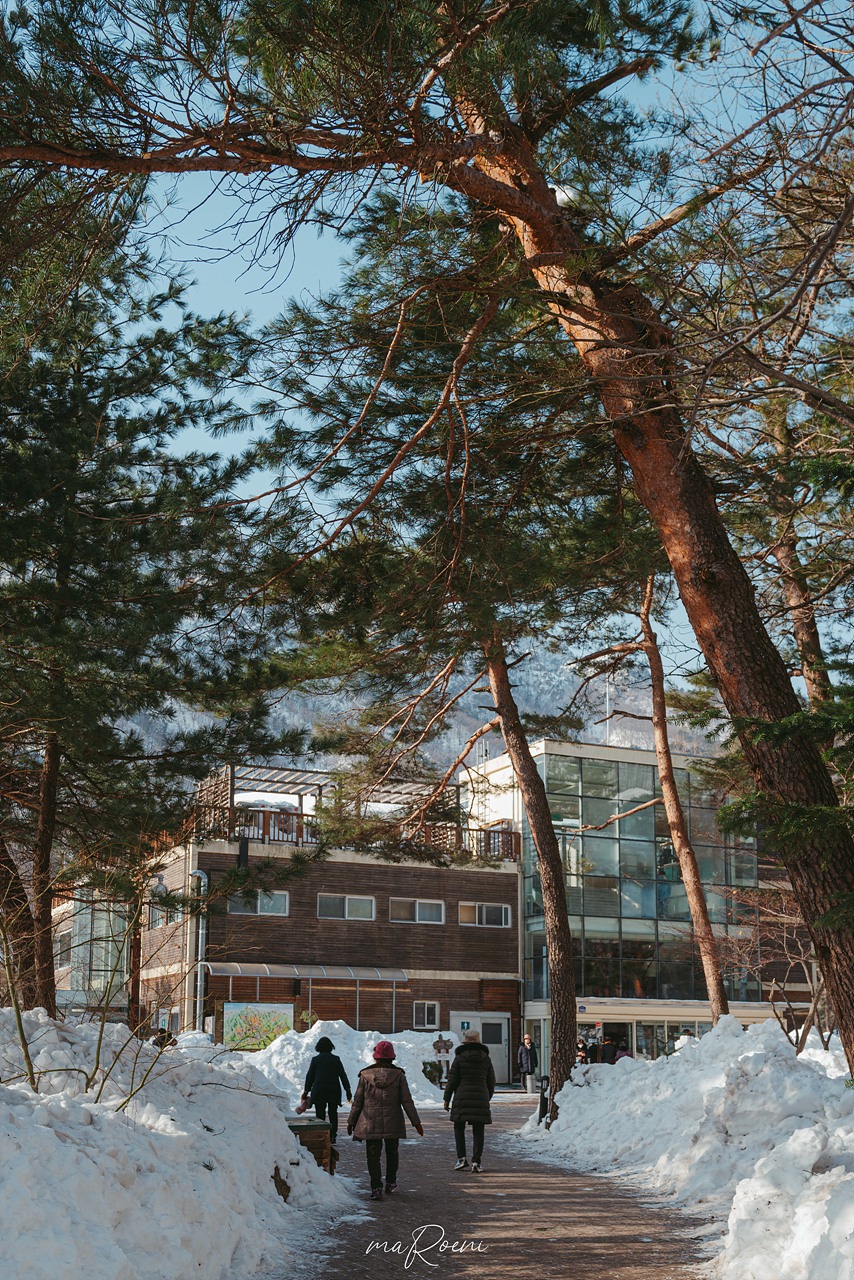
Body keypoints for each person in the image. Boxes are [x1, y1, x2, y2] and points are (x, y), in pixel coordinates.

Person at [347, 1040, 423, 1200]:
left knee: (373, 1155)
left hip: (370, 1122)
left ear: (375, 1058)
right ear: (392, 1058)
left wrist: (351, 1121)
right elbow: (407, 1101)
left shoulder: (365, 1076)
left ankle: (376, 1187)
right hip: (392, 1121)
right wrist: (416, 1122)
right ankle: (390, 1182)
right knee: (392, 1153)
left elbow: (358, 1101)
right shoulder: (399, 1076)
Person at [443, 1029, 495, 1174]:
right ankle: (476, 1161)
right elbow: (491, 1082)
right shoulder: (486, 1059)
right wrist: (487, 1097)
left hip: (461, 1098)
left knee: (459, 1127)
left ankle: (461, 1159)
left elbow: (452, 1081)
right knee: (478, 1130)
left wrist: (447, 1099)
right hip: (481, 1098)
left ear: (465, 1042)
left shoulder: (459, 1058)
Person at [301, 1035, 352, 1157]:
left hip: (319, 1090)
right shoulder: (336, 1059)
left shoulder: (315, 1060)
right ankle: (333, 1135)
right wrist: (348, 1090)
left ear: (318, 1047)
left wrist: (306, 1091)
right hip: (333, 1090)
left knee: (320, 1113)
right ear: (330, 1047)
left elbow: (310, 1077)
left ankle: (322, 1134)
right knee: (333, 1113)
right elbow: (343, 1075)